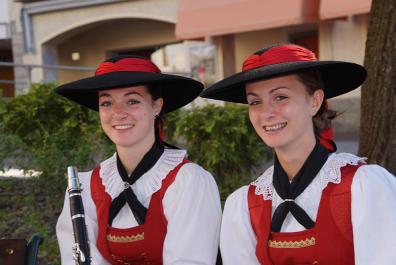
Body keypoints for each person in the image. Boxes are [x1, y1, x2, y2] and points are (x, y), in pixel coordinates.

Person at [200, 44, 396, 265]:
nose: (266, 113)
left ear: (314, 101)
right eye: (255, 101)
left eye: (280, 97)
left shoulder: (364, 188)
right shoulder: (244, 205)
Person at [55, 56, 222, 264]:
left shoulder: (190, 181)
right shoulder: (85, 187)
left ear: (156, 107)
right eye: (107, 103)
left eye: (132, 101)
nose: (118, 113)